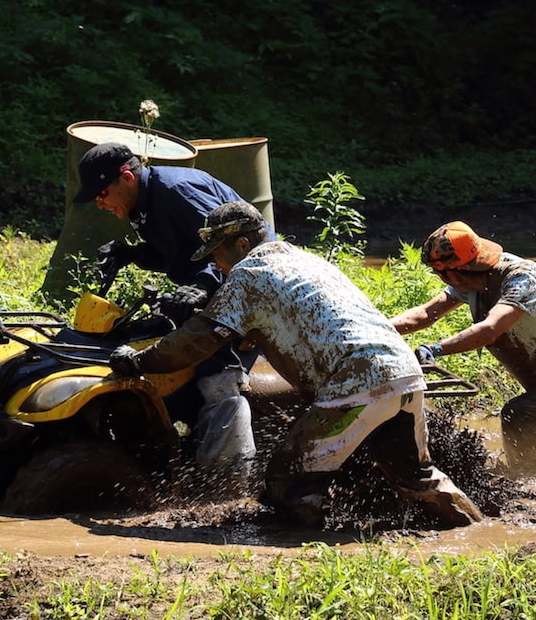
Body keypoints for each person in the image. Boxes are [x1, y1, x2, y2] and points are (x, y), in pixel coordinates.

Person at [108, 200, 484, 528]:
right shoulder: (302, 259)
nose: (217, 265)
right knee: (418, 477)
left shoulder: (248, 273)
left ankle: (299, 556)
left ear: (242, 244)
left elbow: (198, 341)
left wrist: (142, 361)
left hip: (358, 379)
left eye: (218, 254)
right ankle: (479, 532)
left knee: (288, 476)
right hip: (402, 372)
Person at [74, 141, 270, 482]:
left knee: (215, 371)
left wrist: (202, 288)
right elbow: (176, 250)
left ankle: (230, 479)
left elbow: (230, 246)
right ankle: (174, 448)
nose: (99, 201)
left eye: (102, 192)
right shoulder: (142, 203)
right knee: (157, 349)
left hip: (249, 289)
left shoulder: (177, 192)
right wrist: (132, 254)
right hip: (210, 288)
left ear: (127, 178)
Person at [391, 221, 536, 474]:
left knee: (519, 416)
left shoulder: (522, 279)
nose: (442, 280)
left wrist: (436, 349)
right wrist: (379, 329)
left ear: (453, 273)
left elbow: (490, 330)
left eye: (440, 274)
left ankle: (532, 479)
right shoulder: (471, 283)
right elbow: (426, 313)